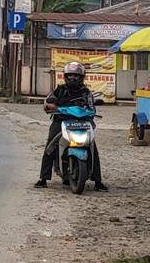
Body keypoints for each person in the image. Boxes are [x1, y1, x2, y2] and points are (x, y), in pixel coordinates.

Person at [35, 61, 107, 190]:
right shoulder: (59, 90)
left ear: (81, 77)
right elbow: (46, 103)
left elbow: (92, 107)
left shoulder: (86, 92)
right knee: (50, 146)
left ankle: (98, 181)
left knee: (92, 147)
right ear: (66, 76)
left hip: (82, 122)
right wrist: (49, 105)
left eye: (76, 75)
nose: (72, 78)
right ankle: (43, 178)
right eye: (70, 75)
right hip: (61, 121)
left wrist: (90, 112)